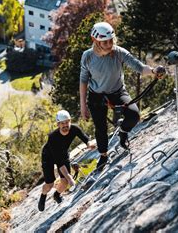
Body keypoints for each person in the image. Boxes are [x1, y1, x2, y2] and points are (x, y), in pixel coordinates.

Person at [79, 22, 165, 171]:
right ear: (95, 40)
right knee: (100, 128)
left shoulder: (119, 52)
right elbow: (83, 80)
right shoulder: (87, 56)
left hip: (117, 92)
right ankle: (103, 155)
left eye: (111, 40)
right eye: (104, 41)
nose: (109, 44)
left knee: (134, 115)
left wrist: (153, 71)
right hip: (96, 95)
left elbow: (138, 66)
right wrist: (83, 105)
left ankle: (123, 132)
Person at [38, 110, 96, 211]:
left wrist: (89, 144)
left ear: (70, 121)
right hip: (48, 157)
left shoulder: (74, 129)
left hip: (63, 153)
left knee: (64, 183)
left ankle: (57, 195)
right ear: (58, 124)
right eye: (62, 123)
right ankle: (43, 196)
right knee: (50, 184)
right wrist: (69, 177)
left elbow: (85, 138)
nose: (65, 125)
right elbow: (58, 160)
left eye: (67, 122)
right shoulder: (52, 137)